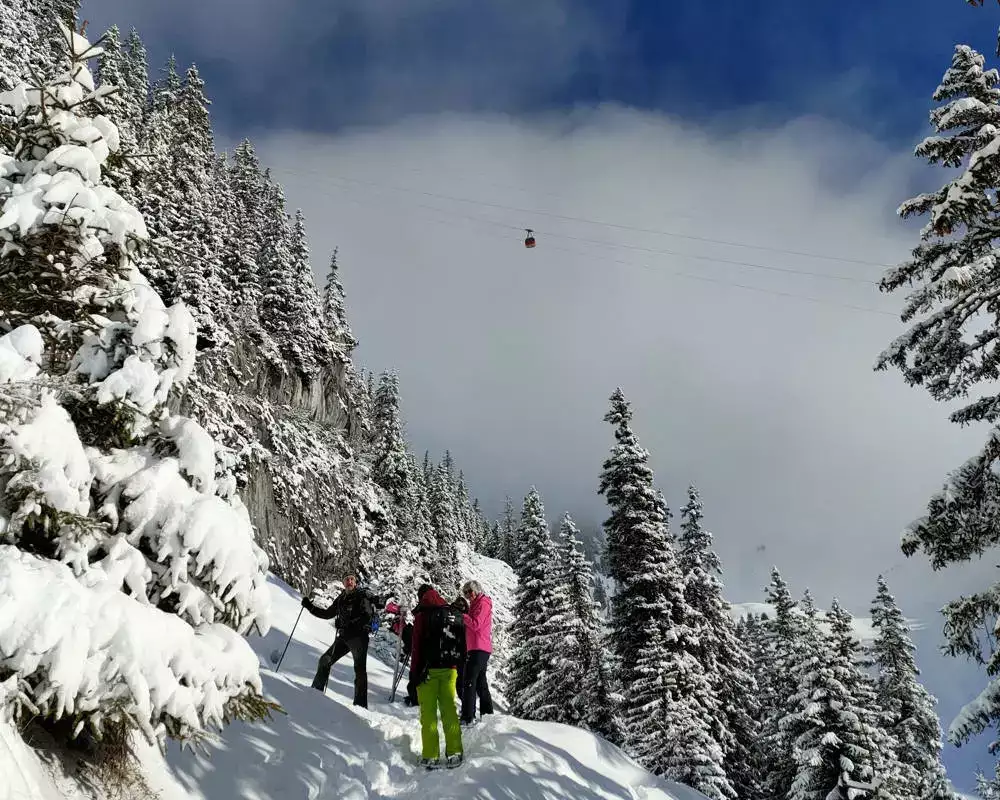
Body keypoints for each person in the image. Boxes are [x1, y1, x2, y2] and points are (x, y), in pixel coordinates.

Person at [409, 583, 465, 769]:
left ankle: (431, 755)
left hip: (427, 671)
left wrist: (414, 675)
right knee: (449, 710)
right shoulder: (449, 612)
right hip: (450, 670)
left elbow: (416, 648)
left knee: (429, 714)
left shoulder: (422, 615)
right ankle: (455, 752)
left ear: (421, 597)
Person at [301, 572, 377, 708]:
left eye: (352, 579)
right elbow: (327, 614)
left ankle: (360, 706)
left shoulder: (361, 596)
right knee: (325, 660)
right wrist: (310, 607)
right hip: (344, 637)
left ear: (355, 582)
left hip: (359, 637)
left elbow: (367, 616)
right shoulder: (341, 598)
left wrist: (347, 624)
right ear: (343, 583)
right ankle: (315, 693)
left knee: (359, 671)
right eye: (346, 579)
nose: (349, 581)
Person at [459, 579, 495, 726]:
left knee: (469, 681)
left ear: (476, 590)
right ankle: (487, 715)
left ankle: (467, 717)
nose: (468, 595)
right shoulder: (475, 604)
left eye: (470, 592)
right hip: (478, 647)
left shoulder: (483, 603)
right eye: (466, 593)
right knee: (480, 682)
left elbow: (476, 624)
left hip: (479, 647)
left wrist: (462, 616)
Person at [450, 595, 470, 694]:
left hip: (457, 648)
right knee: (460, 675)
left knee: (458, 675)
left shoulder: (452, 612)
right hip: (461, 648)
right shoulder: (463, 616)